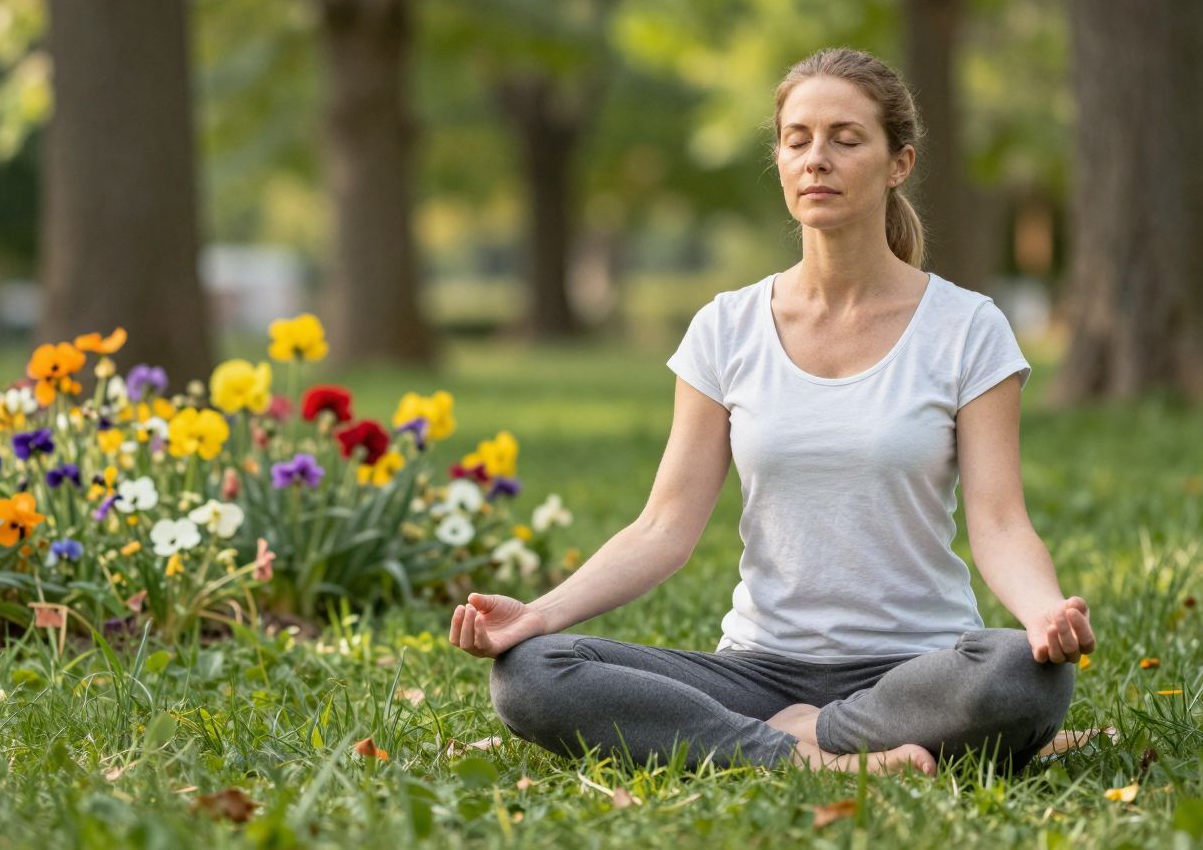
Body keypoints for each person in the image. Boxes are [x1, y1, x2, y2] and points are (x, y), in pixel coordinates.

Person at [448, 47, 1096, 777]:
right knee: (530, 672)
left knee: (1023, 676)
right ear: (781, 161)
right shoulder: (726, 327)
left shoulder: (967, 327)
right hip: (757, 671)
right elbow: (663, 528)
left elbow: (1001, 524)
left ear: (899, 164)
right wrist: (540, 614)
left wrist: (1044, 613)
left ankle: (800, 731)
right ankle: (808, 755)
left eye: (845, 139)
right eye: (798, 140)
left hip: (917, 671)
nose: (817, 158)